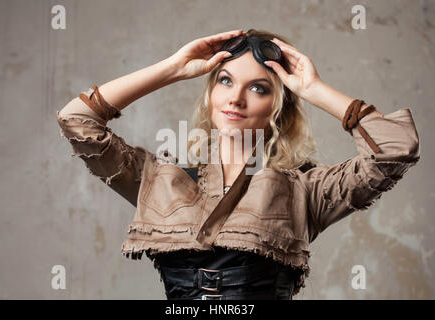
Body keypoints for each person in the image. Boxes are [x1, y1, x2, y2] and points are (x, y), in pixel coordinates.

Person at [56, 28, 420, 300]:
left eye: (259, 88)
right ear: (211, 91)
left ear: (280, 107)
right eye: (226, 81)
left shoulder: (305, 190)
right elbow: (77, 120)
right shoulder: (157, 180)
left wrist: (312, 88)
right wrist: (173, 68)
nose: (236, 98)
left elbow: (396, 147)